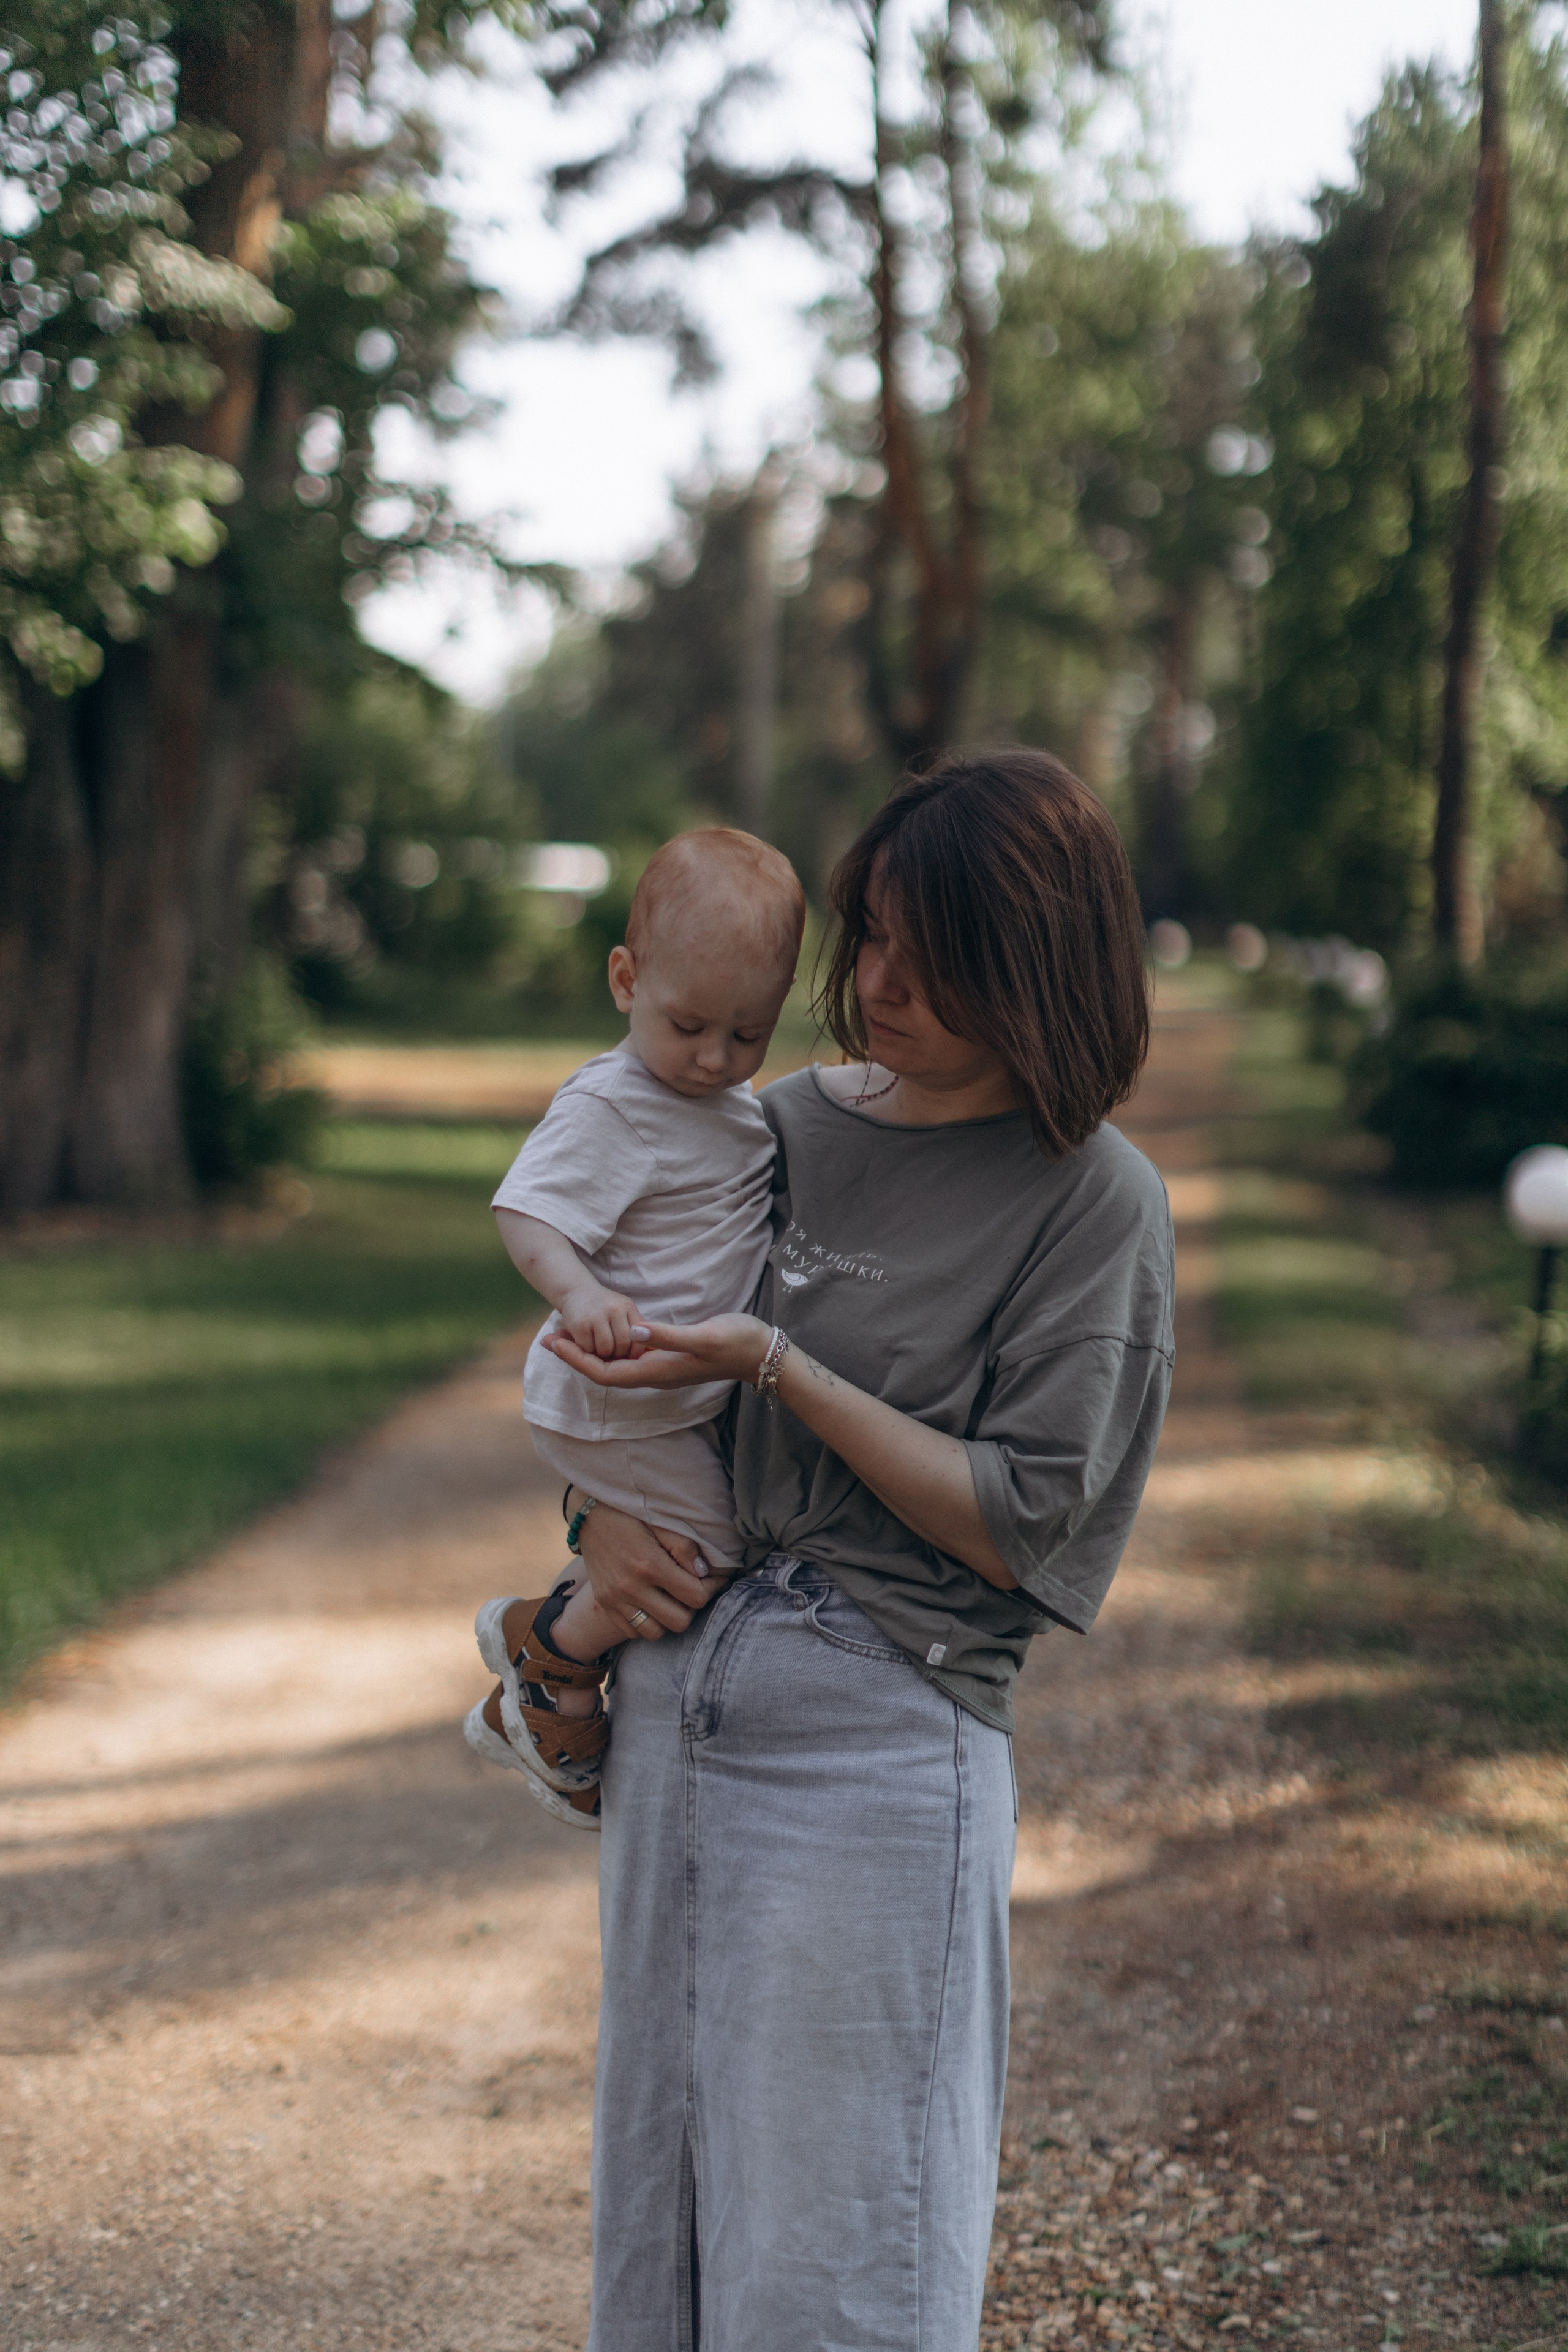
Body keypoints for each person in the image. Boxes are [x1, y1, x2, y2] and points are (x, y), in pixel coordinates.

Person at [551, 747, 1177, 2351]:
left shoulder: (1092, 1202)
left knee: (838, 2259)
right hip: (679, 1709)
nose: (876, 983)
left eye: (931, 956)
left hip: (882, 1738)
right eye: (872, 932)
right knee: (667, 2231)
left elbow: (1018, 1518)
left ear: (1034, 969)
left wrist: (781, 1367)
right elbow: (622, 1360)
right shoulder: (767, 1128)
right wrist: (596, 1530)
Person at [464, 827, 805, 1826]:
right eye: (689, 1024)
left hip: (668, 1404)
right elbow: (525, 1210)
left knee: (683, 1539)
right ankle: (551, 1669)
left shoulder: (729, 1104)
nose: (714, 1057)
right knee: (706, 1555)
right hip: (613, 1398)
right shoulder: (615, 1104)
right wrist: (580, 1295)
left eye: (747, 1034)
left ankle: (534, 1643)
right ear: (626, 980)